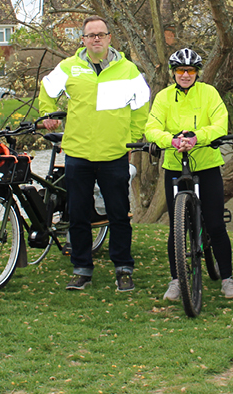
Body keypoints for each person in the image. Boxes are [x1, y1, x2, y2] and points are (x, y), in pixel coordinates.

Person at [38, 15, 150, 292]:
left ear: (110, 38)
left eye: (101, 34)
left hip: (114, 154)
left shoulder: (128, 70)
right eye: (91, 35)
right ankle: (82, 268)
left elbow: (141, 105)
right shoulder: (70, 67)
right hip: (78, 153)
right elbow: (47, 89)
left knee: (119, 214)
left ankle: (123, 267)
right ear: (84, 40)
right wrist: (47, 114)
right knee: (78, 214)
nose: (96, 39)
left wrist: (132, 139)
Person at [145, 48, 233, 301]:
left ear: (197, 73)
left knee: (216, 223)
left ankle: (228, 279)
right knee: (176, 228)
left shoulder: (209, 93)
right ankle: (176, 281)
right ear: (173, 73)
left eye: (190, 71)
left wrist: (198, 137)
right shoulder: (164, 97)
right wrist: (172, 140)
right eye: (180, 70)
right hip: (175, 166)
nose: (185, 75)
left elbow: (220, 122)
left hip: (207, 165)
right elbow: (152, 127)